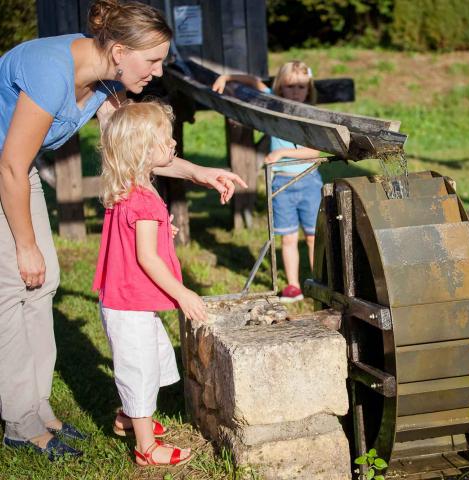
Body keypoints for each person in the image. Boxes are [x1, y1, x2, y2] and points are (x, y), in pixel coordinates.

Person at [0, 0, 246, 460]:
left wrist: (200, 173)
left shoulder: (106, 86)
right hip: (7, 169)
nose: (157, 72)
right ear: (118, 50)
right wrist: (27, 245)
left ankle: (37, 409)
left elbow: (138, 151)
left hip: (18, 168)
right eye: (152, 60)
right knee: (15, 285)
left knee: (45, 282)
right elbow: (9, 165)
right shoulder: (50, 70)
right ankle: (20, 422)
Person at [92, 100, 200, 467]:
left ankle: (127, 418)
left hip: (125, 299)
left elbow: (133, 239)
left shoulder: (131, 189)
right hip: (129, 303)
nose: (172, 146)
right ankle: (145, 448)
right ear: (141, 151)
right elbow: (146, 258)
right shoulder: (145, 200)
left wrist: (159, 233)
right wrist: (182, 293)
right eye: (165, 140)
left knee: (152, 360)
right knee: (138, 370)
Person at [212, 61, 322, 302]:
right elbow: (253, 81)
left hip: (308, 181)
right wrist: (228, 78)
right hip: (281, 182)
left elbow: (314, 152)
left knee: (314, 236)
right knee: (289, 237)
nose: (296, 91)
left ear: (308, 89)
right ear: (281, 87)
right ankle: (294, 286)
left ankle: (318, 282)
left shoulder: (310, 114)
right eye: (290, 86)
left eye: (301, 87)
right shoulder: (274, 103)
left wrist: (282, 154)